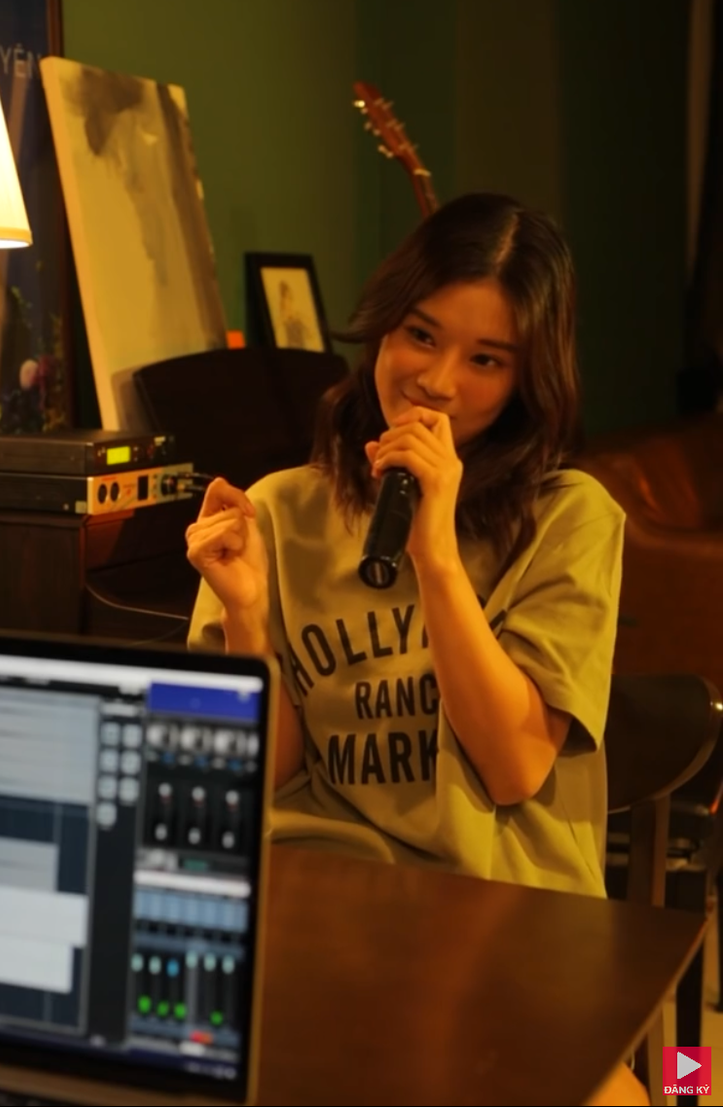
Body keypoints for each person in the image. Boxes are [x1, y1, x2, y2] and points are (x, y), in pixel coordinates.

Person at [187, 193, 647, 1107]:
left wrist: (435, 552)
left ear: (527, 379)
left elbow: (514, 765)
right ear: (383, 328)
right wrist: (247, 618)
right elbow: (264, 776)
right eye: (421, 336)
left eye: (486, 359)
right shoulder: (278, 510)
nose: (437, 380)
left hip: (501, 916)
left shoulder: (571, 519)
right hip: (321, 904)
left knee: (621, 1096)